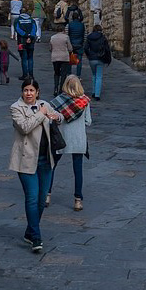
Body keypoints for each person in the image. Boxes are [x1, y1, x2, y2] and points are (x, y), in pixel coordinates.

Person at [9, 77, 62, 254]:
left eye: (32, 90)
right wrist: (42, 114)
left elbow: (59, 116)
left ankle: (30, 231)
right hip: (26, 159)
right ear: (22, 92)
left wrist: (55, 116)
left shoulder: (45, 104)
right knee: (31, 198)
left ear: (37, 92)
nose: (29, 93)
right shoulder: (16, 108)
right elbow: (25, 127)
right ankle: (36, 237)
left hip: (46, 159)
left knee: (41, 200)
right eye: (26, 90)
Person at [52, 73, 92, 210]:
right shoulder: (84, 102)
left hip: (62, 139)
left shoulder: (58, 101)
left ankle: (47, 194)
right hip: (79, 139)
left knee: (52, 165)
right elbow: (88, 121)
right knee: (78, 170)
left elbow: (54, 118)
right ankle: (78, 200)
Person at [85, 20, 112, 100]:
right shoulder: (103, 37)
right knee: (99, 76)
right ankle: (97, 94)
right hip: (100, 58)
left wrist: (89, 55)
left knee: (94, 75)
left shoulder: (89, 37)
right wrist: (108, 59)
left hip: (92, 59)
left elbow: (86, 48)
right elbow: (107, 49)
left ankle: (93, 91)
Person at [13, 6, 37, 81]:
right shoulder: (32, 20)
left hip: (21, 41)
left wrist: (25, 35)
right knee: (30, 58)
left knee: (24, 58)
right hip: (31, 41)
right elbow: (34, 29)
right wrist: (30, 36)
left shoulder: (17, 20)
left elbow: (18, 29)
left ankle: (25, 75)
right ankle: (31, 75)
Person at [50, 23, 71, 97]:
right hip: (64, 57)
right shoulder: (66, 37)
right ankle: (61, 89)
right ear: (63, 30)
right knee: (63, 74)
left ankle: (55, 88)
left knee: (56, 73)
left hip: (55, 57)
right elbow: (70, 48)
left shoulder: (52, 37)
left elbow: (51, 48)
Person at [65, 5, 86, 72]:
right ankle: (78, 75)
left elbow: (66, 35)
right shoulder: (82, 25)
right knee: (79, 61)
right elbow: (85, 35)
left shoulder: (69, 25)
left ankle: (69, 73)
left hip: (71, 44)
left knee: (69, 60)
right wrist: (83, 43)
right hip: (79, 44)